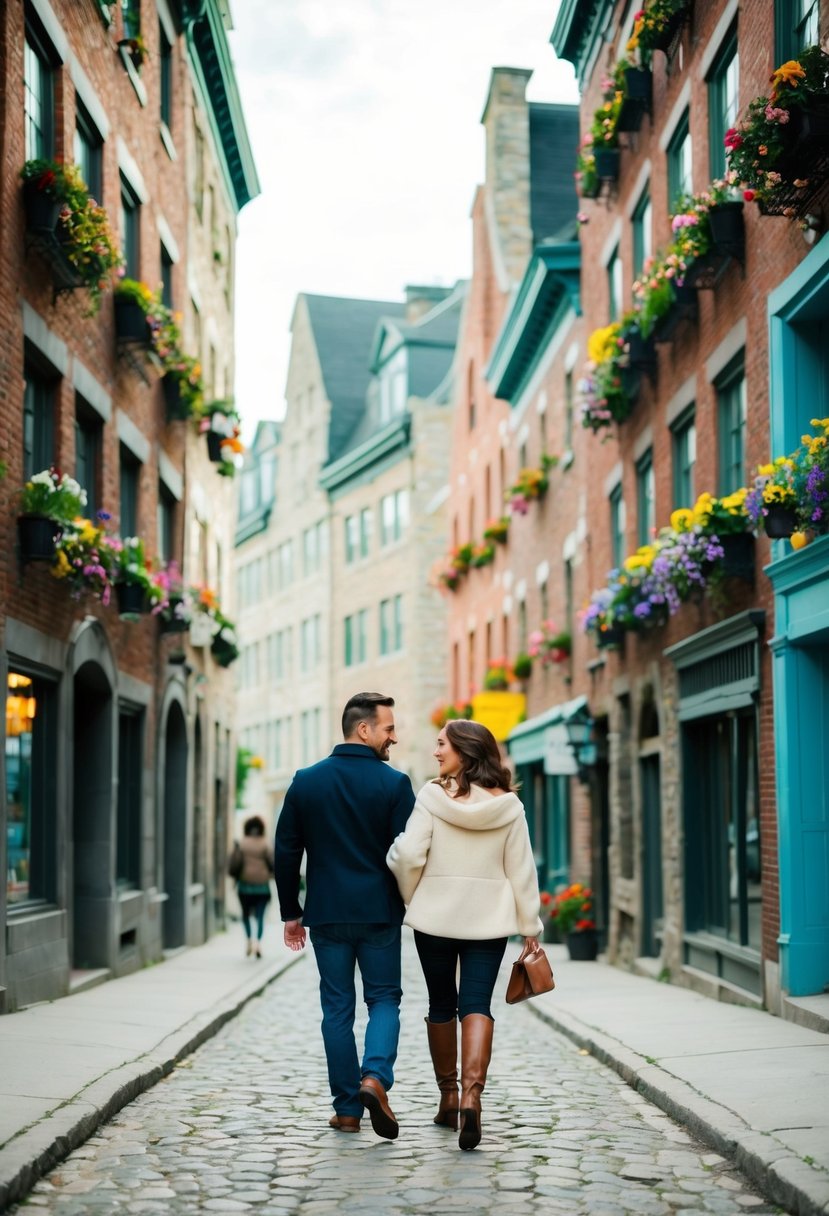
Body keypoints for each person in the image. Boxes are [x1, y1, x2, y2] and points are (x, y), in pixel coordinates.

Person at [386, 718, 542, 1151]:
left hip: (435, 920)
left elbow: (408, 856)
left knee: (441, 1004)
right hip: (488, 923)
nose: (436, 752)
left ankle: (450, 1097)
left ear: (464, 752)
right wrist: (530, 927)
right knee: (476, 1003)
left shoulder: (432, 797)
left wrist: (413, 893)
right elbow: (522, 871)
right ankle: (474, 1095)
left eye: (442, 745)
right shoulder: (509, 806)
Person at [274, 693, 415, 1138]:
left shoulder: (307, 781)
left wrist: (291, 912)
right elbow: (408, 854)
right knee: (385, 1000)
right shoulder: (395, 785)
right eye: (389, 728)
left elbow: (285, 852)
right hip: (379, 913)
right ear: (364, 729)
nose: (394, 736)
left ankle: (348, 1109)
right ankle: (375, 1077)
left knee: (336, 1009)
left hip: (327, 914)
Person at [230, 815, 274, 958]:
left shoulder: (242, 843)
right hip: (262, 886)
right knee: (260, 916)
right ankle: (258, 943)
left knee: (245, 915)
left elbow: (235, 864)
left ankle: (249, 939)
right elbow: (273, 862)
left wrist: (235, 877)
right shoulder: (265, 843)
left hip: (245, 886)